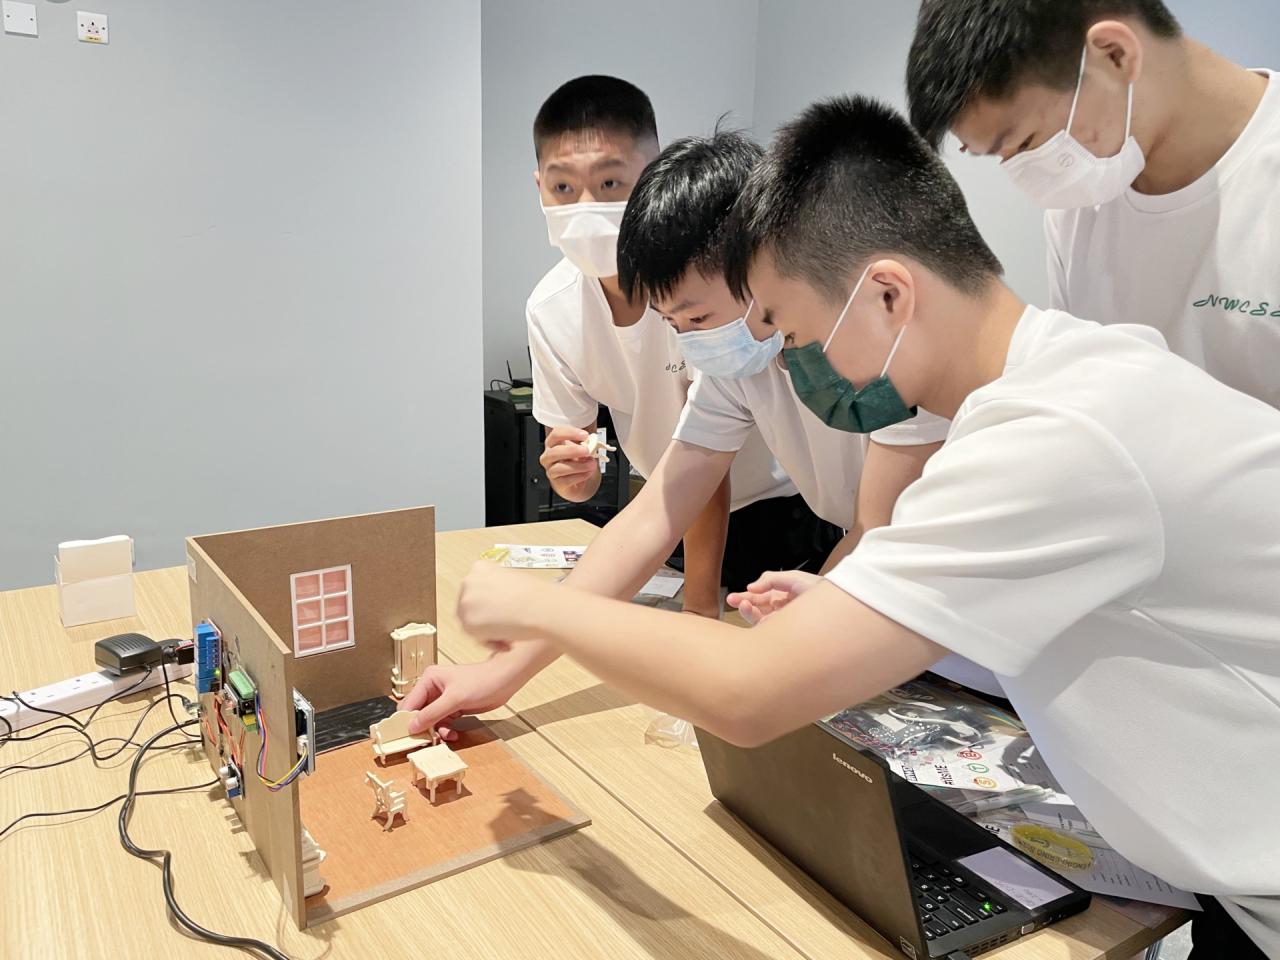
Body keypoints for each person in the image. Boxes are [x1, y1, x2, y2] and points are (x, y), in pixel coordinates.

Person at [451, 96, 1280, 958]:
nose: (792, 358)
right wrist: (854, 602)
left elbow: (748, 694)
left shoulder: (1051, 438)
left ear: (886, 293)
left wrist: (535, 608)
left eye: (791, 328)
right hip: (1228, 877)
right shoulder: (1067, 380)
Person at [906, 0, 1279, 409]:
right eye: (1002, 157)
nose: (1029, 175)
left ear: (1115, 55)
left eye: (1025, 143)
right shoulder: (1078, 210)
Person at [524, 74, 800, 617]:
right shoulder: (551, 308)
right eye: (563, 188)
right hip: (667, 510)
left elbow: (706, 462)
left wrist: (699, 610)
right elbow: (590, 471)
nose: (585, 208)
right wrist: (573, 474)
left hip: (772, 512)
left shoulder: (700, 297)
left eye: (609, 183)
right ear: (540, 188)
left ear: (655, 175)